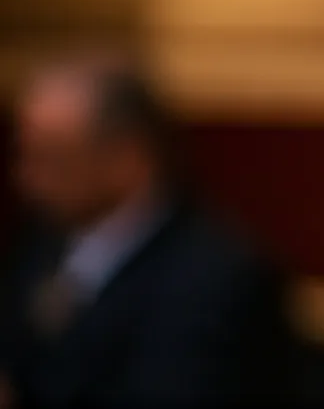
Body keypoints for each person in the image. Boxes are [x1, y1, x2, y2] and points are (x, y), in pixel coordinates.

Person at [0, 54, 290, 409]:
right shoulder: (41, 247)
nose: (26, 178)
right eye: (25, 155)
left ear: (128, 156)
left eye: (53, 157)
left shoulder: (219, 279)